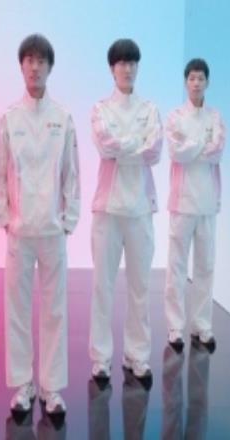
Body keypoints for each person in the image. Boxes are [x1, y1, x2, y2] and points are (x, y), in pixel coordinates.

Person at [0, 34, 80, 415]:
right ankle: (23, 385)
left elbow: (71, 174)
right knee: (17, 309)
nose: (35, 67)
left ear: (50, 67)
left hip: (52, 231)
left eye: (41, 61)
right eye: (29, 60)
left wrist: (68, 220)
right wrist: (4, 218)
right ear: (21, 66)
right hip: (20, 231)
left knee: (55, 310)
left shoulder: (63, 118)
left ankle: (51, 387)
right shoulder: (10, 118)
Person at [88, 39, 162, 390]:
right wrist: (135, 144)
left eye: (133, 63)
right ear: (112, 69)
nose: (128, 69)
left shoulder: (150, 109)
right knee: (102, 286)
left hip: (140, 209)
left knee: (140, 286)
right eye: (122, 63)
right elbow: (106, 146)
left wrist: (124, 146)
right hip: (108, 209)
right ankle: (101, 358)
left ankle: (137, 355)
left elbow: (155, 151)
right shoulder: (100, 109)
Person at [164, 58, 225, 354]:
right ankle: (175, 327)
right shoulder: (175, 116)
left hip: (208, 204)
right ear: (185, 82)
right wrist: (202, 143)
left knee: (205, 266)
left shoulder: (215, 116)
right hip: (182, 202)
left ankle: (202, 326)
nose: (196, 83)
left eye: (201, 78)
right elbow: (176, 152)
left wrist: (192, 144)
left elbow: (217, 151)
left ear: (207, 82)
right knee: (176, 266)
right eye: (192, 78)